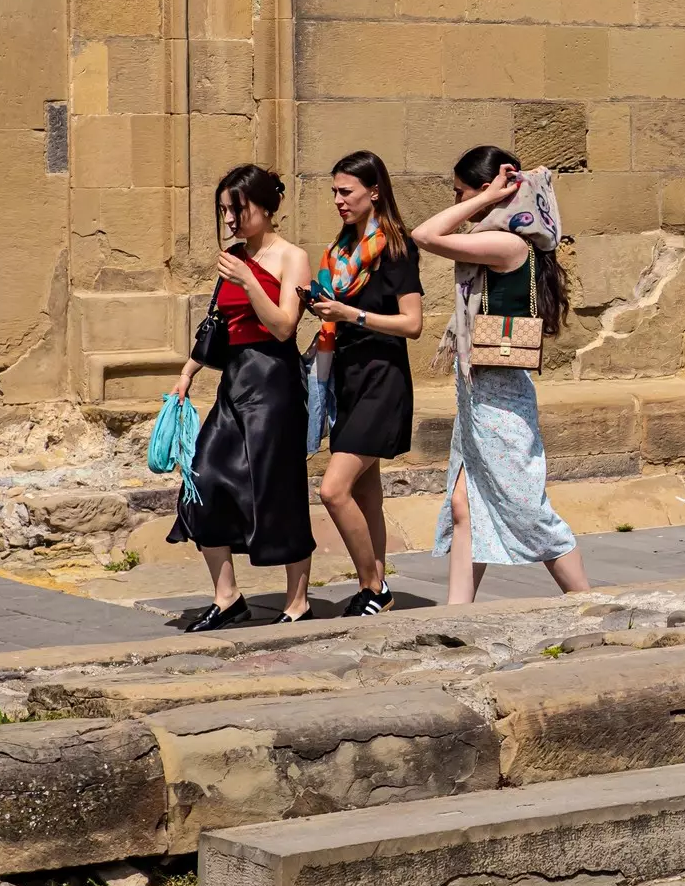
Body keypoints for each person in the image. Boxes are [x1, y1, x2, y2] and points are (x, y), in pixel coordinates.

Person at [412, 146, 590, 604]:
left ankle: (587, 599)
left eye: (460, 193)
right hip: (477, 393)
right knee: (462, 502)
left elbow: (425, 234)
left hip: (499, 393)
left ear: (492, 191)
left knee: (526, 507)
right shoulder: (500, 239)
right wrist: (485, 197)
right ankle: (458, 614)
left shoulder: (507, 243)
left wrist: (488, 196)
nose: (456, 203)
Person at [168, 165, 315, 629]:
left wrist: (250, 281)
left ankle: (298, 601)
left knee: (278, 487)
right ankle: (227, 596)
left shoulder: (293, 257)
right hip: (234, 381)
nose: (229, 219)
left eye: (237, 209)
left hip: (273, 383)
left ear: (267, 207)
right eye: (224, 211)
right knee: (202, 479)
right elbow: (220, 327)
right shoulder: (233, 256)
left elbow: (284, 327)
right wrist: (188, 372)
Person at [306, 150, 424, 618]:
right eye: (334, 191)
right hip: (347, 379)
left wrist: (349, 313)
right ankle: (376, 586)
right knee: (365, 490)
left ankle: (372, 586)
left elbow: (412, 323)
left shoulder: (396, 247)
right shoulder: (340, 252)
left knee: (334, 489)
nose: (338, 200)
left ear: (374, 192)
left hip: (382, 379)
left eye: (346, 191)